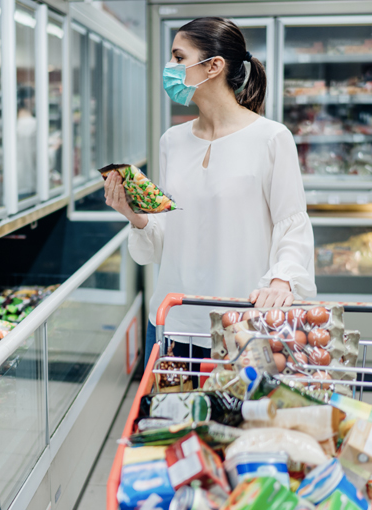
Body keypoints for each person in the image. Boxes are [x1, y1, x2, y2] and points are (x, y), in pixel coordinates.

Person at [104, 18, 316, 368]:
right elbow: (167, 235)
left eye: (178, 57)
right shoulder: (172, 140)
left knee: (235, 421)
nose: (169, 68)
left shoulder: (271, 139)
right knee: (172, 423)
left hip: (243, 327)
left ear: (213, 66)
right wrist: (134, 214)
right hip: (175, 322)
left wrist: (282, 280)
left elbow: (291, 224)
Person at [16, 85, 37, 200]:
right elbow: (38, 157)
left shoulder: (12, 124)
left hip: (13, 184)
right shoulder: (33, 125)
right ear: (27, 100)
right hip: (29, 182)